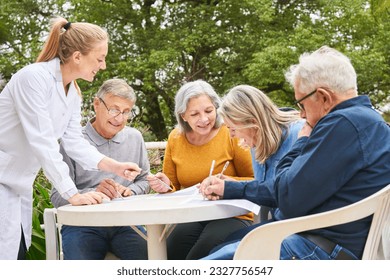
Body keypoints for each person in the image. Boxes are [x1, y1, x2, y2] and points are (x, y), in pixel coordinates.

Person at [201, 45, 390, 260]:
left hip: (319, 249)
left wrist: (301, 141)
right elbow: (290, 192)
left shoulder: (343, 124)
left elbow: (287, 199)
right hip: (322, 242)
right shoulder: (367, 122)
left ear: (323, 97)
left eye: (301, 104)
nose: (300, 113)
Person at [0, 17, 141, 260]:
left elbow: (74, 142)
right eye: (99, 58)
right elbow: (43, 143)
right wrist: (72, 194)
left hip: (17, 186)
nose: (103, 66)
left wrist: (114, 166)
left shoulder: (72, 91)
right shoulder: (33, 78)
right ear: (77, 56)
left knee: (15, 257)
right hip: (4, 181)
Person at [146, 80, 254, 260]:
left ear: (216, 108)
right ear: (183, 116)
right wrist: (165, 186)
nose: (204, 119)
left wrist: (228, 183)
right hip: (192, 214)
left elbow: (255, 180)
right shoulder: (176, 137)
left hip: (233, 214)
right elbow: (172, 187)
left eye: (209, 111)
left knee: (198, 256)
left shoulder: (230, 132)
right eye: (195, 114)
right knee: (169, 254)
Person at [50, 78, 149, 259]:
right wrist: (95, 193)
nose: (119, 118)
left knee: (154, 259)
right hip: (82, 225)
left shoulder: (134, 138)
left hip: (126, 223)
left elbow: (144, 180)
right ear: (97, 104)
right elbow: (56, 196)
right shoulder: (72, 141)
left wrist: (129, 190)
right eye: (113, 109)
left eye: (126, 112)